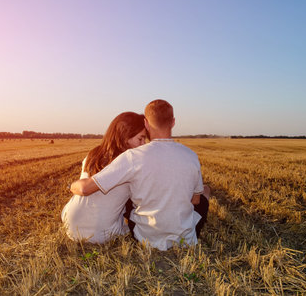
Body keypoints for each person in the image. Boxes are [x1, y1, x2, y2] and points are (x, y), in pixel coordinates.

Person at [71, 99, 209, 251]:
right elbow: (195, 200)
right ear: (173, 122)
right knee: (204, 194)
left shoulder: (131, 157)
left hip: (145, 238)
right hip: (184, 240)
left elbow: (86, 188)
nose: (143, 142)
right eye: (140, 139)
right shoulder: (191, 156)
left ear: (146, 123)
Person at [61, 112, 147, 243]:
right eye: (140, 139)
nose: (143, 144)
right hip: (100, 234)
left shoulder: (93, 154)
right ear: (125, 137)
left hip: (69, 225)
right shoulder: (130, 161)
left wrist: (70, 186)